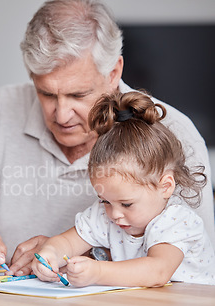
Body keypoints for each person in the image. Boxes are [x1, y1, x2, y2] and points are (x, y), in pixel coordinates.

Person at [0, 0, 215, 277]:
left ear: (114, 73)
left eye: (78, 94)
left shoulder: (173, 133)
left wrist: (80, 254)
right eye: (46, 93)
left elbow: (187, 265)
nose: (61, 115)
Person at [32, 91, 215, 287]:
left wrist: (97, 272)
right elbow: (66, 243)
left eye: (126, 204)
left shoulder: (177, 221)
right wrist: (49, 254)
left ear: (165, 187)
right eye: (105, 200)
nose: (115, 214)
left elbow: (157, 271)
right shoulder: (105, 214)